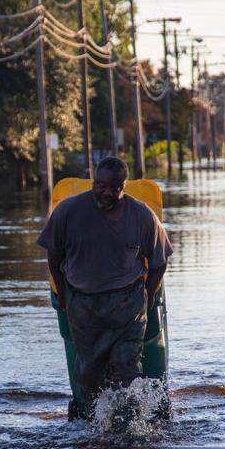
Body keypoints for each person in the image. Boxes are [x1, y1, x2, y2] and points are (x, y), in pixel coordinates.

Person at [38, 157, 172, 414]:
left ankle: (126, 429)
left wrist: (148, 293)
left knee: (126, 371)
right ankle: (96, 424)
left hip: (127, 307)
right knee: (88, 372)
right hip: (84, 306)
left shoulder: (142, 215)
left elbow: (159, 262)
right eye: (101, 185)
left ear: (123, 186)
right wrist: (65, 297)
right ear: (94, 182)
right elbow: (54, 258)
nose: (107, 192)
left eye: (114, 187)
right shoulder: (68, 211)